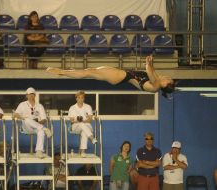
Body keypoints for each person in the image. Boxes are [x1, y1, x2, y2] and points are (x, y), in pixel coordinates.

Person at [46, 55, 175, 98]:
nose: (168, 77)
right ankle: (64, 72)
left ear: (165, 85)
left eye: (169, 80)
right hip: (121, 75)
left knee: (88, 72)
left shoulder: (156, 85)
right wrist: (151, 64)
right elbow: (152, 73)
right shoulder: (157, 82)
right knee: (89, 71)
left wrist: (148, 63)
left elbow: (150, 73)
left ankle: (62, 72)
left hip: (121, 76)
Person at [13, 87, 52, 159]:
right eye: (29, 94)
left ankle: (39, 151)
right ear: (26, 96)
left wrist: (38, 122)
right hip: (26, 127)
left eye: (32, 94)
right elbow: (15, 114)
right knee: (27, 119)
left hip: (36, 127)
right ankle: (45, 129)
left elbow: (44, 119)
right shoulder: (22, 104)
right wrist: (22, 117)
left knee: (41, 132)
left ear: (35, 95)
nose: (31, 96)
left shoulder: (39, 106)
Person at [68, 91, 97, 157]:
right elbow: (72, 121)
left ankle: (83, 152)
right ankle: (92, 138)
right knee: (81, 124)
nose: (80, 99)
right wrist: (79, 121)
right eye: (79, 98)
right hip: (75, 127)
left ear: (84, 99)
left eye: (82, 98)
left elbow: (90, 120)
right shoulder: (72, 108)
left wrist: (82, 121)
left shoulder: (88, 107)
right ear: (76, 98)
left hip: (87, 126)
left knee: (84, 131)